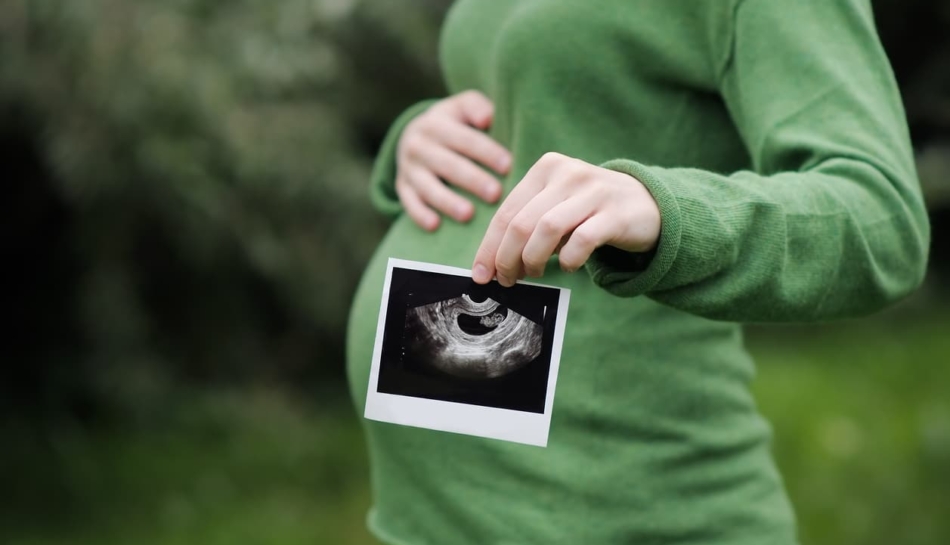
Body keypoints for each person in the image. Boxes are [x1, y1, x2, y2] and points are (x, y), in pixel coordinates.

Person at [346, 0, 931, 543]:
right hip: (441, 498)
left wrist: (663, 206)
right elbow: (555, 111)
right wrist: (422, 138)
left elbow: (880, 216)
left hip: (609, 499)